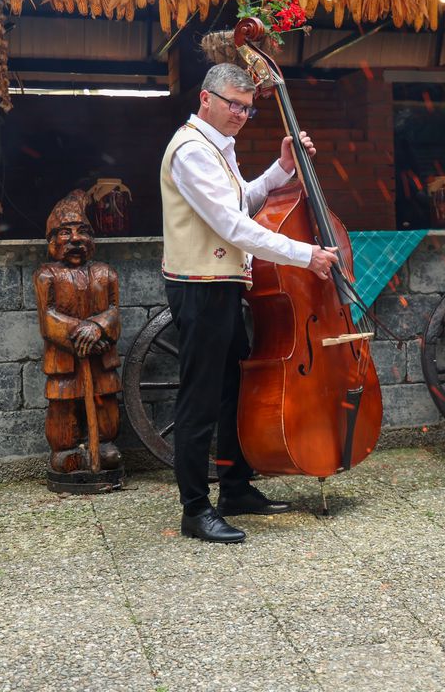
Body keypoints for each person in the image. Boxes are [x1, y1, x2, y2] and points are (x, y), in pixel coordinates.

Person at [160, 63, 340, 543]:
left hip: (221, 283)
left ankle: (235, 488)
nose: (241, 113)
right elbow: (234, 228)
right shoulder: (192, 151)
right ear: (205, 99)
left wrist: (283, 166)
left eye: (247, 107)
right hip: (199, 287)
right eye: (233, 104)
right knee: (199, 399)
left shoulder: (218, 147)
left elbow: (243, 201)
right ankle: (195, 510)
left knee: (231, 392)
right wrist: (306, 255)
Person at [34, 190, 122, 476]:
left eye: (82, 231)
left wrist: (97, 328)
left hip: (100, 355)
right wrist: (77, 331)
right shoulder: (47, 275)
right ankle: (65, 449)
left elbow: (113, 311)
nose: (75, 239)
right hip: (65, 360)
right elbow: (48, 319)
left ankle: (105, 443)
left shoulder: (105, 273)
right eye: (65, 233)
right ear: (52, 242)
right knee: (63, 403)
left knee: (106, 399)